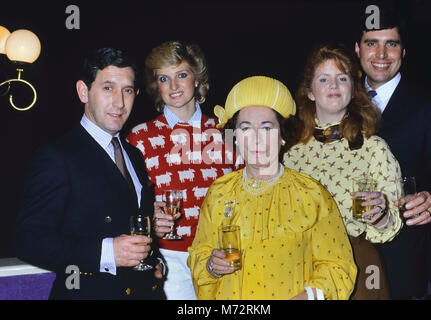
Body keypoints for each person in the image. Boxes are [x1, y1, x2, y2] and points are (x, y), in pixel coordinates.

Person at [187, 75, 357, 300]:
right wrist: (211, 266)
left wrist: (308, 297)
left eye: (266, 128)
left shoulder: (311, 194)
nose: (256, 139)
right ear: (235, 136)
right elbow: (199, 254)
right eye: (246, 128)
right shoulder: (219, 192)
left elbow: (339, 267)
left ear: (282, 136)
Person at [16, 48, 165, 300]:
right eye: (108, 88)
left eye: (127, 90)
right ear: (83, 91)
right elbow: (28, 240)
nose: (119, 102)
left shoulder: (134, 155)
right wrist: (107, 253)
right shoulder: (58, 156)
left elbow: (133, 226)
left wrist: (153, 259)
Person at [284, 44, 403, 299]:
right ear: (310, 92)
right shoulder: (289, 153)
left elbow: (390, 229)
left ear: (353, 89)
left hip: (359, 265)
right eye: (324, 79)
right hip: (299, 266)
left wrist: (381, 216)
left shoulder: (375, 149)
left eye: (342, 78)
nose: (334, 86)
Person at [126, 41, 239, 300]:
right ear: (157, 86)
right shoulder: (139, 137)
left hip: (221, 256)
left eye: (182, 75)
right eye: (164, 78)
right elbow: (125, 203)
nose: (174, 86)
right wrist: (149, 216)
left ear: (197, 79)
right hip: (170, 259)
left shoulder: (227, 132)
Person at [354, 5, 431, 299]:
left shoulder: (429, 107)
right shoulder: (337, 98)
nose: (381, 55)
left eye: (391, 44)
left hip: (403, 259)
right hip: (345, 253)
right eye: (372, 43)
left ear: (403, 52)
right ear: (358, 49)